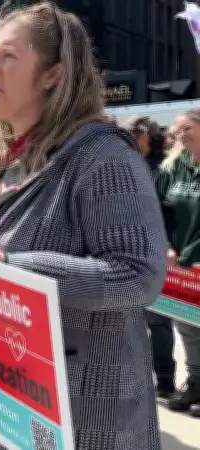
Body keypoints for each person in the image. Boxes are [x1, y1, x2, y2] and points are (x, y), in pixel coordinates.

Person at [0, 3, 167, 449]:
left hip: (80, 418)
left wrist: (15, 266)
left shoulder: (104, 158)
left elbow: (138, 275)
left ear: (53, 74)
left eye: (8, 56)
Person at [122, 115, 174, 397]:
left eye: (129, 132)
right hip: (131, 254)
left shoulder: (162, 171)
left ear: (143, 135)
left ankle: (165, 377)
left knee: (159, 322)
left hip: (158, 255)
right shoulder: (127, 166)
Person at [158, 109, 200, 417]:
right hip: (180, 266)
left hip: (191, 261)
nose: (181, 135)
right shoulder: (172, 167)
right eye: (178, 130)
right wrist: (167, 246)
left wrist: (187, 255)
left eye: (187, 129)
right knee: (187, 326)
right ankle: (196, 382)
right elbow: (156, 209)